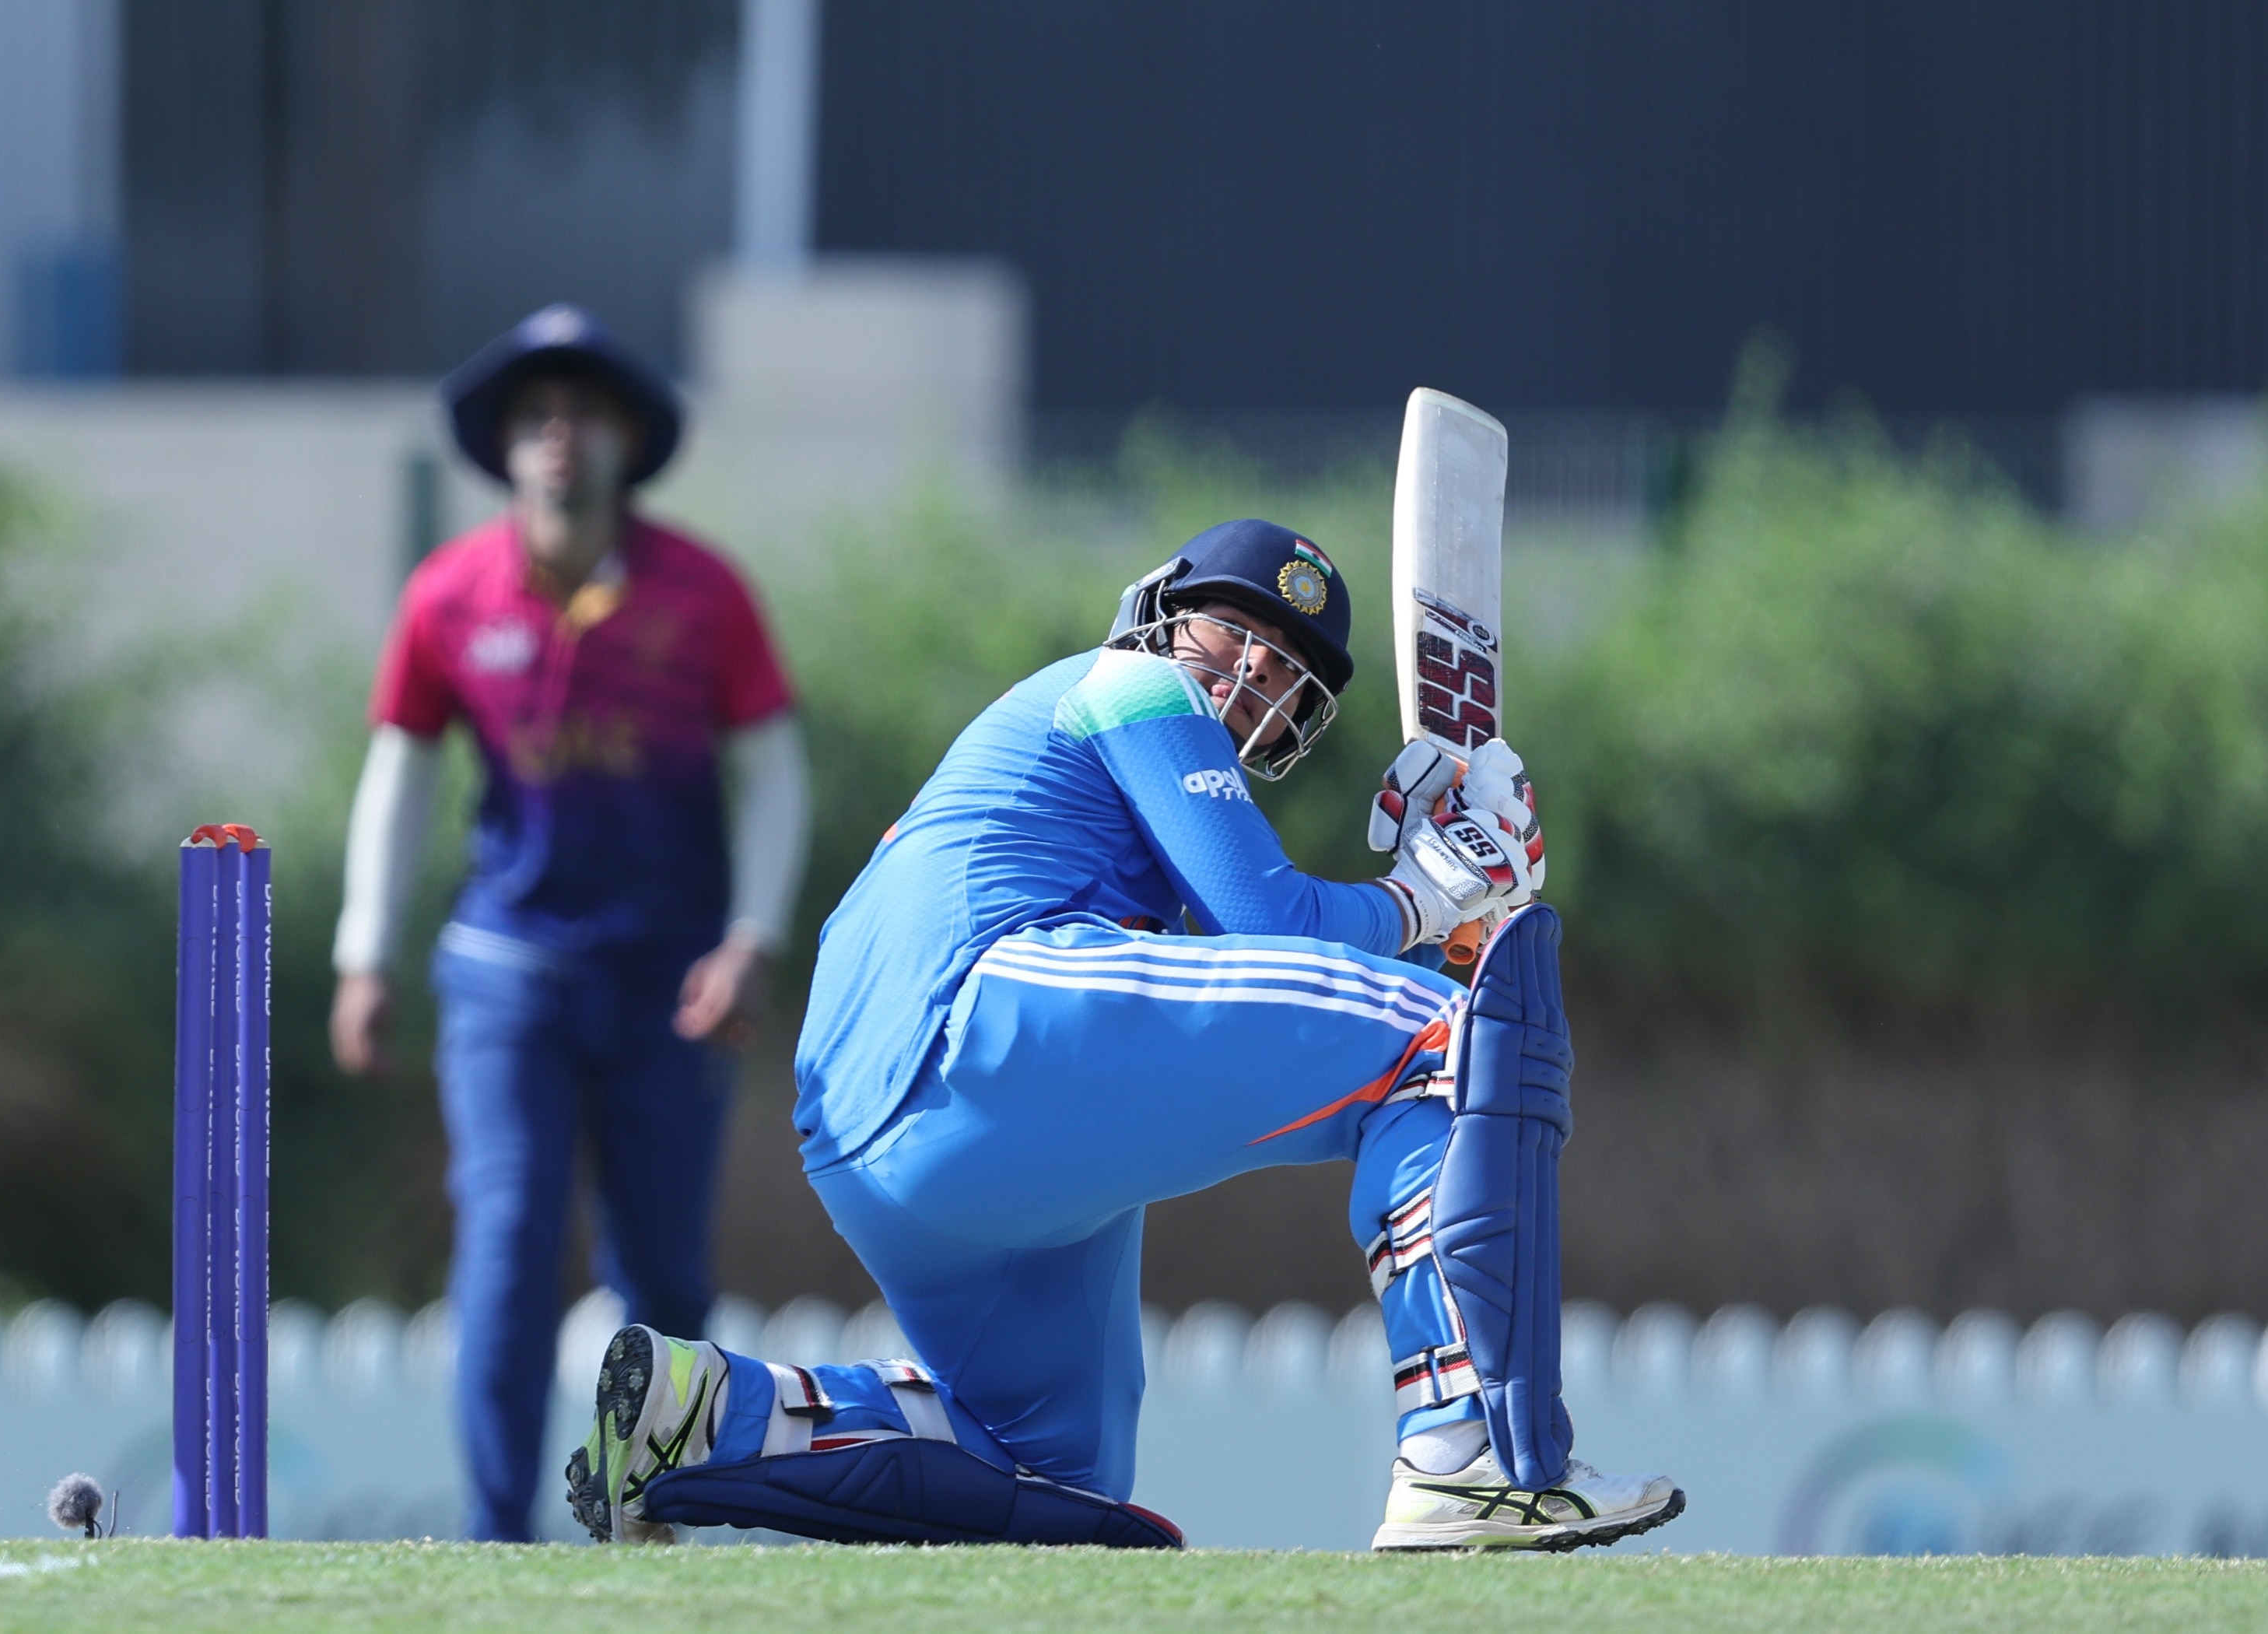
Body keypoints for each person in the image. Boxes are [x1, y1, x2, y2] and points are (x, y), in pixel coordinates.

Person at [563, 519, 1681, 1552]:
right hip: (976, 1011)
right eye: (1233, 627)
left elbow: (1254, 979)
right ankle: (1464, 1451)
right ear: (1162, 611)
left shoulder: (1128, 778)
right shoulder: (1130, 682)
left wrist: (1450, 900)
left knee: (1049, 1479)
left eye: (1282, 663)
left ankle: (705, 1412)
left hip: (878, 1141)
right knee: (1449, 1041)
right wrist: (1435, 888)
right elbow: (1273, 925)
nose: (1251, 668)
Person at [331, 304, 808, 1543]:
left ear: (627, 442)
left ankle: (648, 1523)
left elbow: (775, 771)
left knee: (662, 1278)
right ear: (504, 445)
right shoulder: (448, 594)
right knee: (507, 1236)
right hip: (506, 971)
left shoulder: (703, 594)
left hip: (670, 978)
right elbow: (401, 771)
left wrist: (750, 939)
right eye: (537, 416)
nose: (559, 437)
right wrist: (363, 953)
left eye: (583, 414)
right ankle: (500, 1543)